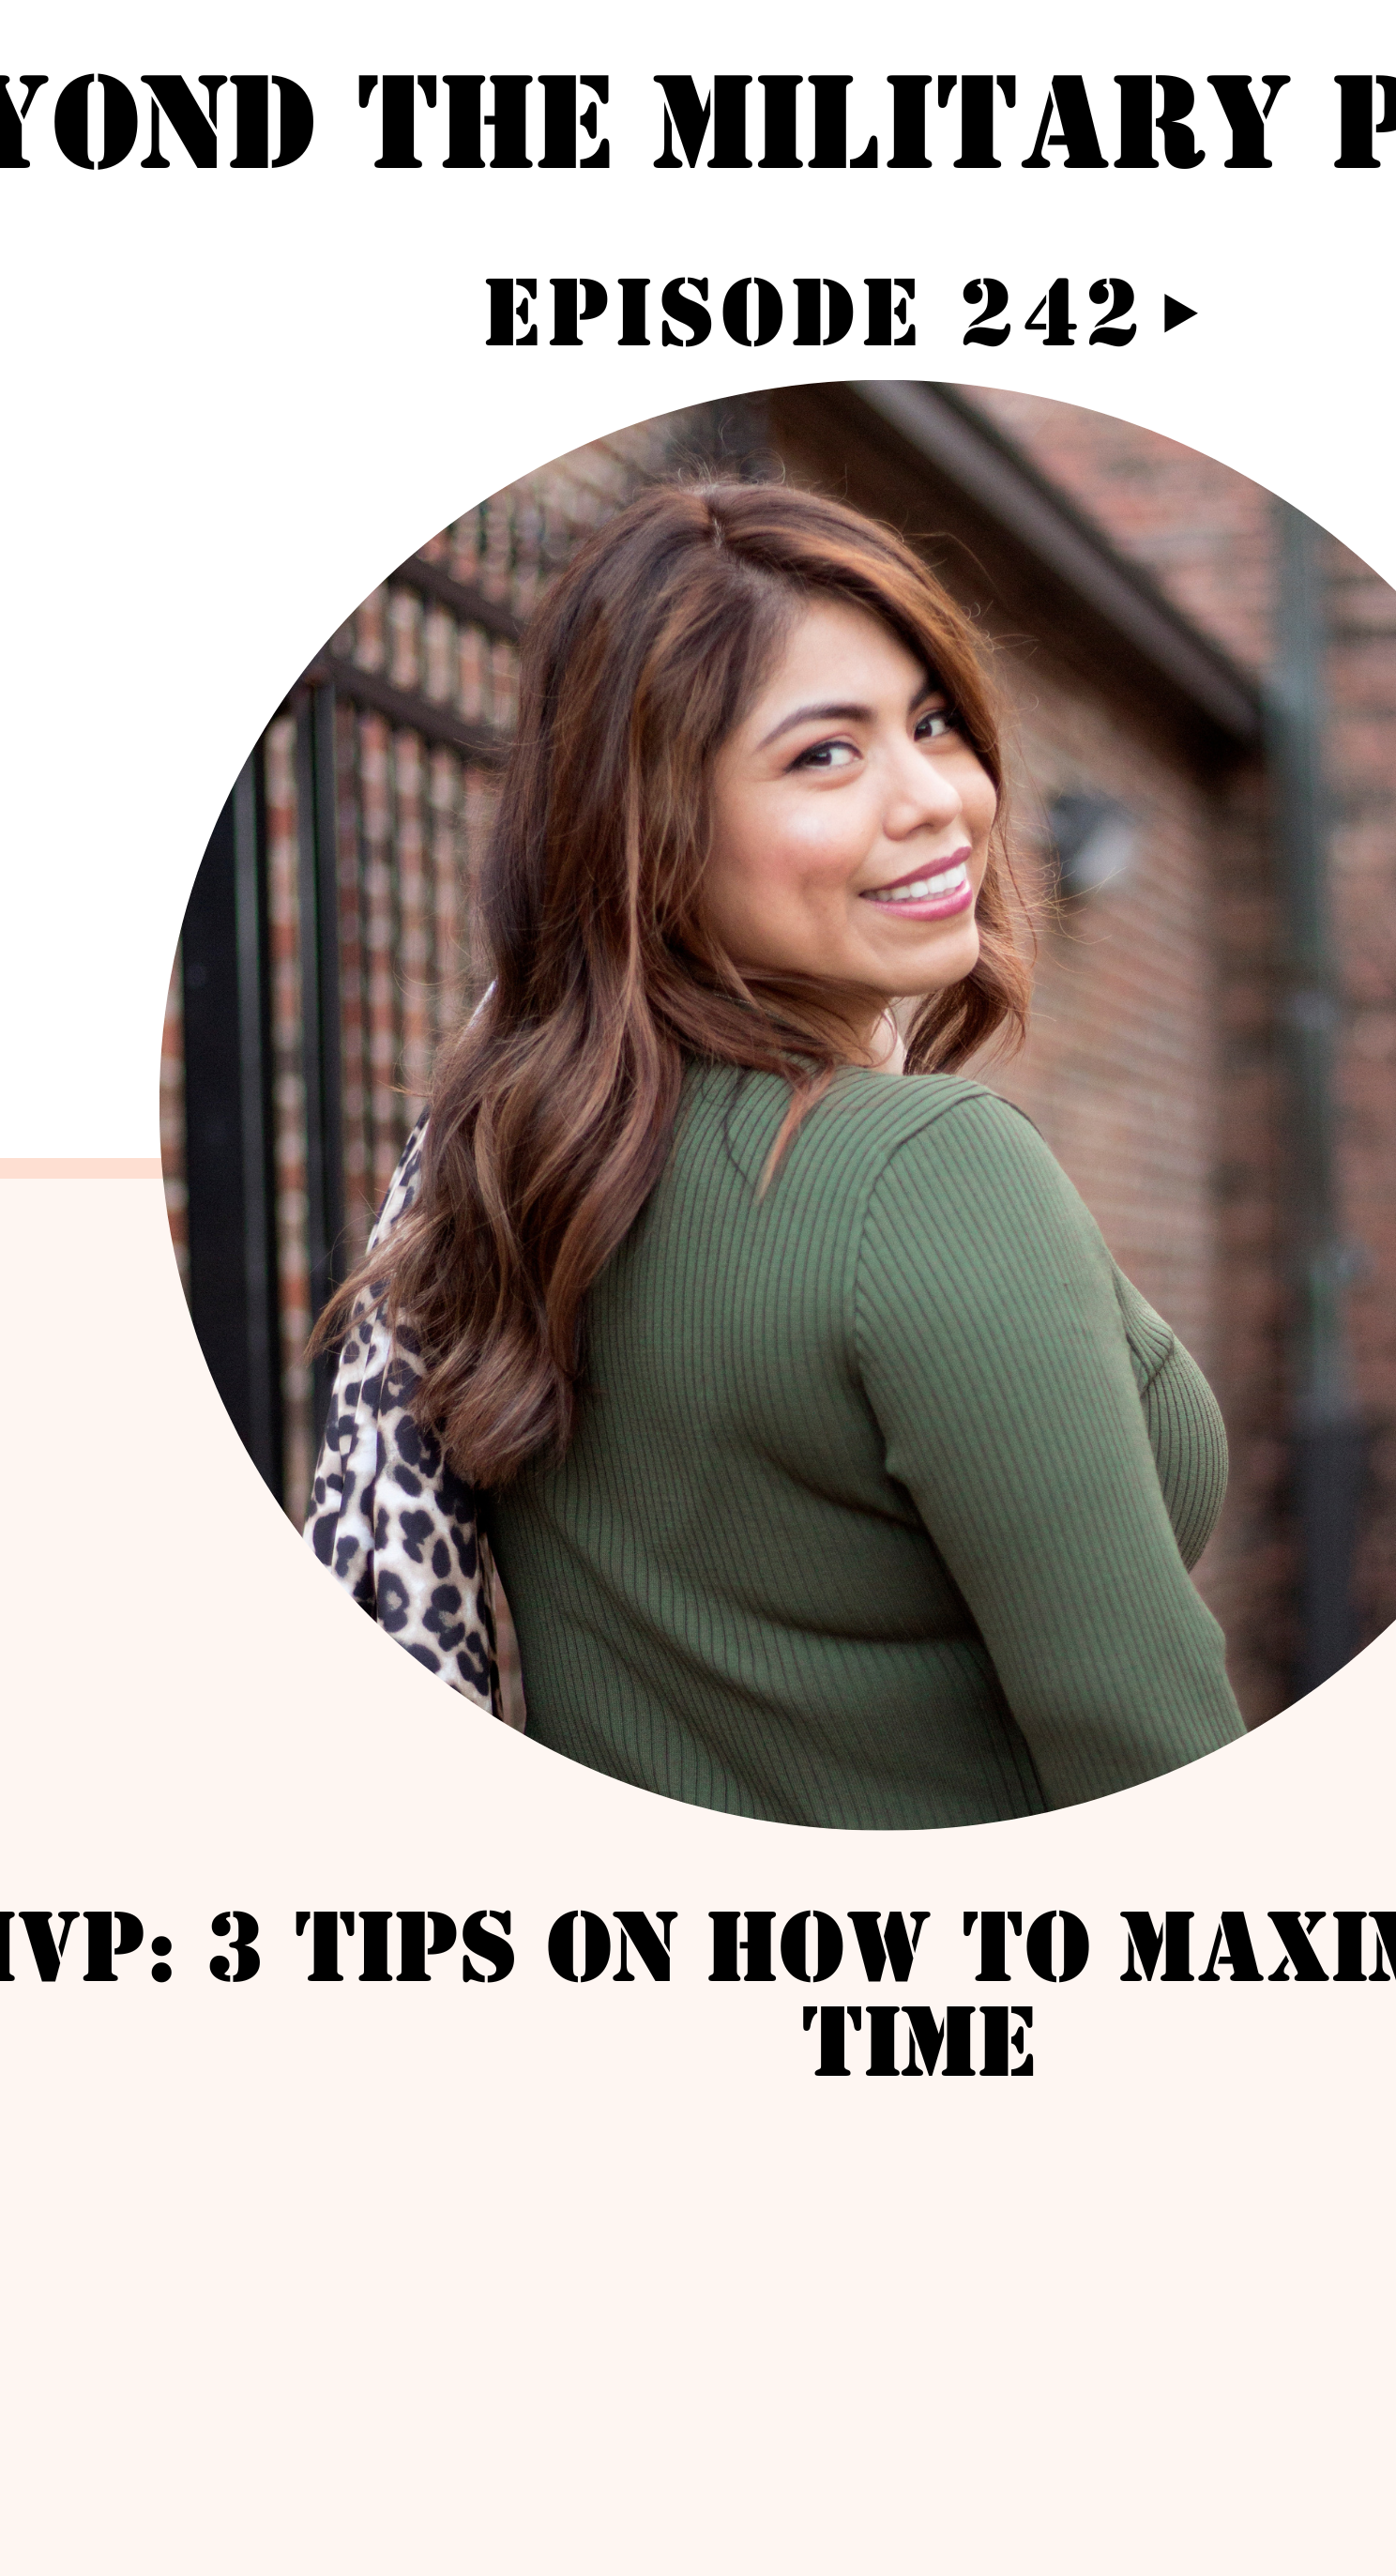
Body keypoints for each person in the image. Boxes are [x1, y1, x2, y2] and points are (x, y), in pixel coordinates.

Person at [311, 480, 1245, 1828]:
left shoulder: (520, 1167)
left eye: (931, 723)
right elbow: (1148, 1748)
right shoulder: (927, 1174)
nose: (938, 800)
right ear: (656, 831)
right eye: (825, 755)